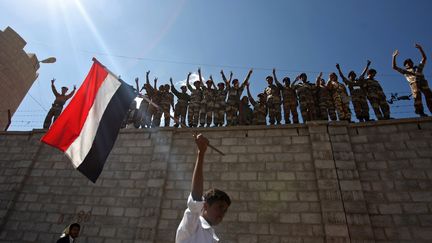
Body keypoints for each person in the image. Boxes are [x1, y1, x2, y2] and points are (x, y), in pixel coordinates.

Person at [176, 134, 231, 243]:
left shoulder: (213, 237)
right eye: (219, 207)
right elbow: (196, 197)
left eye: (225, 210)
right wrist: (201, 153)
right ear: (205, 206)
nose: (222, 214)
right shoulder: (193, 224)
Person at [393, 43, 432, 117]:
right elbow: (394, 67)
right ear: (405, 65)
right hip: (414, 84)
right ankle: (420, 112)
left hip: (423, 83)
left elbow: (424, 59)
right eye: (407, 63)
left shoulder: (418, 68)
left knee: (430, 97)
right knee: (417, 96)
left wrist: (420, 49)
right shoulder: (405, 72)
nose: (409, 64)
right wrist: (394, 57)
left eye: (410, 62)